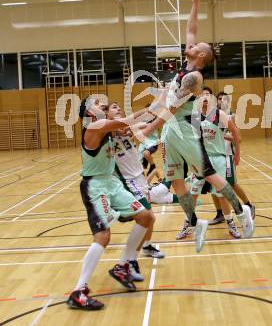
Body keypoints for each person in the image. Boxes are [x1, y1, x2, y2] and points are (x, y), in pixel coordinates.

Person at [139, 0, 254, 252]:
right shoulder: (186, 66)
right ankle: (193, 221)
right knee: (177, 182)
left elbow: (172, 109)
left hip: (185, 129)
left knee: (209, 175)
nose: (190, 44)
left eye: (196, 46)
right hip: (171, 132)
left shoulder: (194, 78)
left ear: (201, 55)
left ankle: (241, 211)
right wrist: (195, 3)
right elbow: (191, 30)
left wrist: (150, 128)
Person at [67, 98, 153, 311]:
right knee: (103, 236)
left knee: (146, 217)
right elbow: (128, 121)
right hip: (95, 186)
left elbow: (136, 126)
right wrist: (155, 105)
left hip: (111, 182)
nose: (102, 103)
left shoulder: (106, 129)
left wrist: (164, 109)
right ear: (89, 113)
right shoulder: (95, 126)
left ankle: (123, 265)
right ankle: (78, 291)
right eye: (97, 102)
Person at [107, 102, 165, 282]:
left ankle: (140, 251)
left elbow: (139, 126)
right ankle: (128, 261)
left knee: (149, 218)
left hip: (140, 177)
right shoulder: (107, 131)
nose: (118, 109)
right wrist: (153, 109)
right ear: (106, 114)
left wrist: (153, 115)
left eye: (119, 108)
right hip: (129, 181)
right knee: (148, 217)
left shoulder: (124, 129)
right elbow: (131, 123)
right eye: (114, 107)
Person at [176, 87, 242, 240]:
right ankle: (188, 224)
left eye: (208, 95)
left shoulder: (219, 115)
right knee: (193, 194)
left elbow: (236, 132)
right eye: (202, 95)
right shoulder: (194, 117)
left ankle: (231, 224)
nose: (205, 97)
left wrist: (237, 153)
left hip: (218, 159)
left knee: (222, 195)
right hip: (201, 160)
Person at [209, 91, 255, 224]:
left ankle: (249, 205)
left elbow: (238, 139)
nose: (221, 101)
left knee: (232, 184)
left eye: (224, 99)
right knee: (213, 185)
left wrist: (222, 136)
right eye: (219, 99)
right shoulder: (212, 116)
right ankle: (219, 213)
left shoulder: (231, 117)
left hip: (228, 156)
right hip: (213, 155)